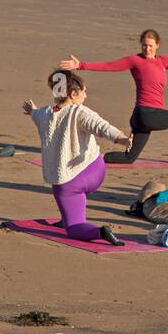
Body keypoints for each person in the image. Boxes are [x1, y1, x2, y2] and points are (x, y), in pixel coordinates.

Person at [59, 29, 168, 167]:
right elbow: (110, 66)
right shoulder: (135, 61)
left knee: (129, 158)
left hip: (142, 118)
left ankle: (94, 158)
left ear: (157, 45)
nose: (147, 49)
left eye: (150, 45)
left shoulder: (163, 61)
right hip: (146, 114)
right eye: (144, 45)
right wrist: (80, 65)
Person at [24, 70, 132, 245]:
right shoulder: (80, 112)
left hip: (68, 182)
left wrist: (31, 110)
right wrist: (122, 139)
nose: (86, 95)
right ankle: (67, 213)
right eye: (84, 92)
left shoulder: (43, 114)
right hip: (95, 171)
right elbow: (102, 127)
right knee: (75, 199)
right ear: (73, 94)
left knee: (74, 227)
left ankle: (99, 231)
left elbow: (35, 114)